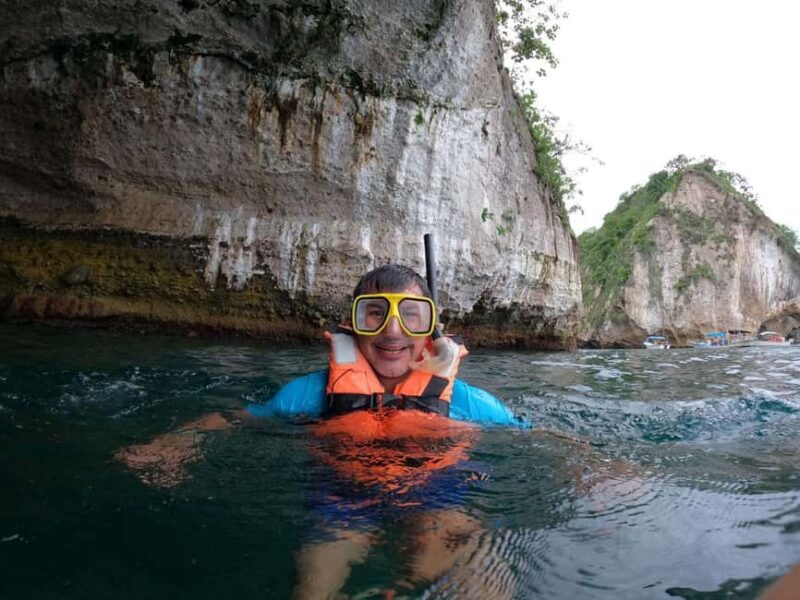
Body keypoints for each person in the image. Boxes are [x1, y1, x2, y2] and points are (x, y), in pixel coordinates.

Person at [117, 264, 523, 597]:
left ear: (431, 331)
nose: (393, 330)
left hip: (437, 495)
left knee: (476, 573)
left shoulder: (467, 401)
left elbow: (536, 434)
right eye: (375, 313)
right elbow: (235, 417)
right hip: (342, 499)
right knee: (313, 588)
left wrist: (588, 470)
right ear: (353, 324)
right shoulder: (309, 393)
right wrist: (176, 440)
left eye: (410, 315)